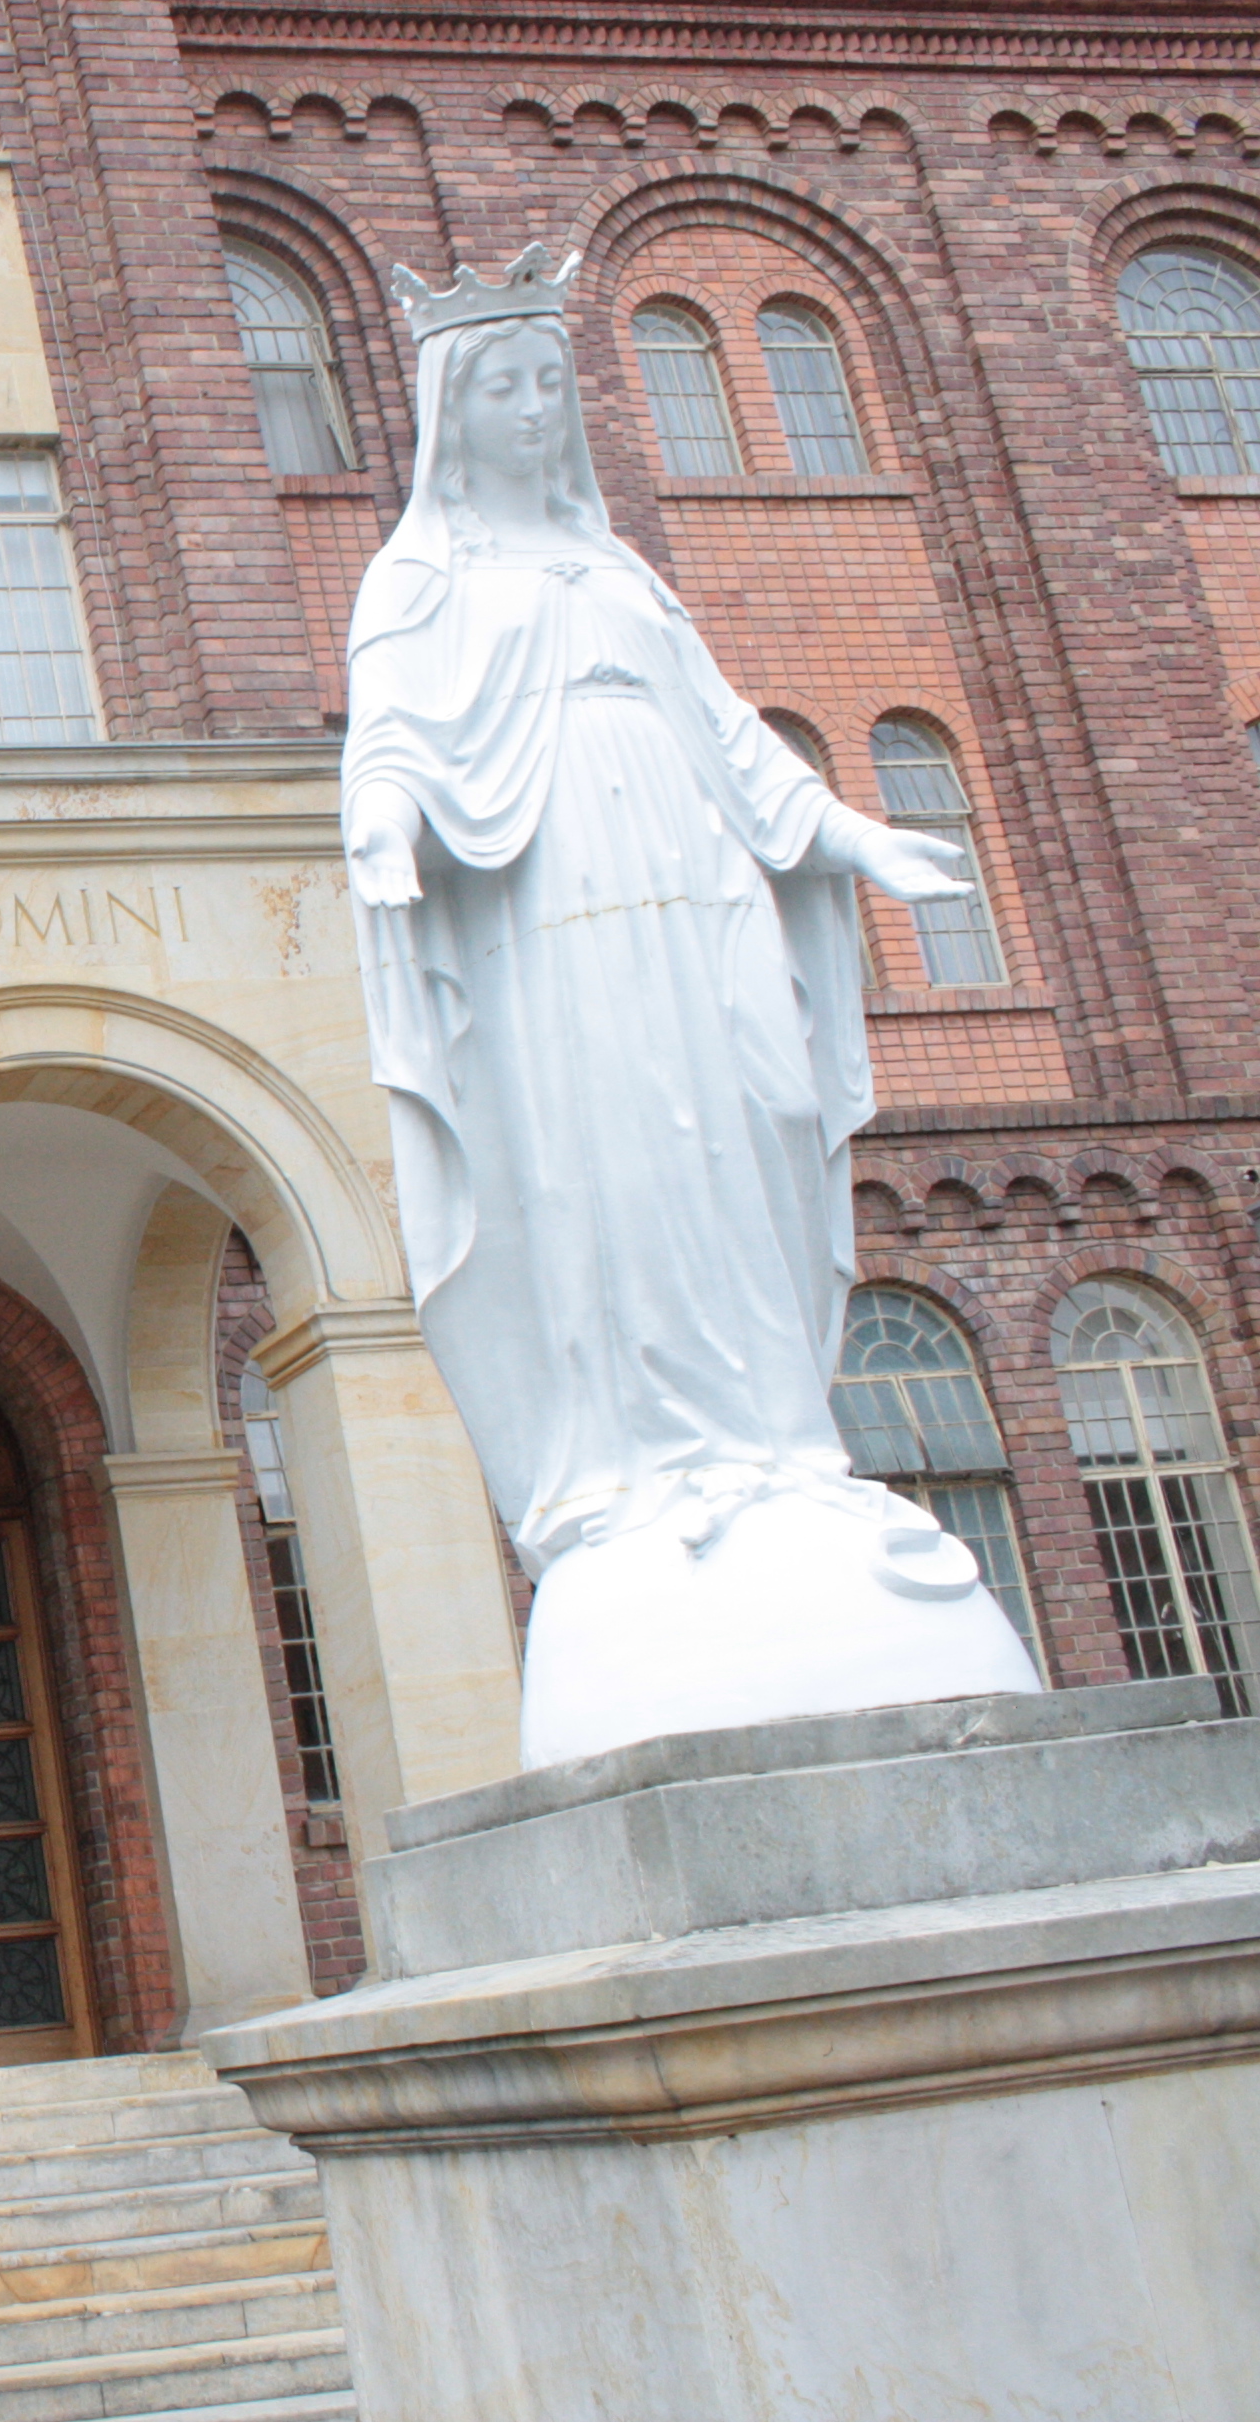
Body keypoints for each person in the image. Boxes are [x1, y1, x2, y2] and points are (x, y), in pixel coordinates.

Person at [342, 245, 1040, 1762]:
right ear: (454, 412)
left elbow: (729, 737)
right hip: (557, 917)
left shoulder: (619, 571)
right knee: (615, 1160)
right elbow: (391, 742)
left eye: (548, 382)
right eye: (504, 386)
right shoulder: (423, 576)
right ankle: (647, 1473)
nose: (533, 409)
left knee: (742, 1123)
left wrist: (850, 834)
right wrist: (387, 832)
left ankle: (777, 1450)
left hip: (696, 882)